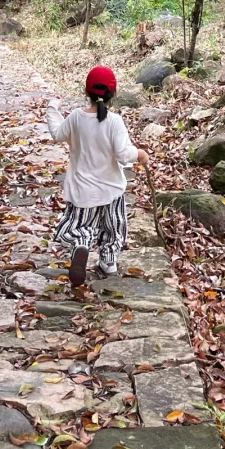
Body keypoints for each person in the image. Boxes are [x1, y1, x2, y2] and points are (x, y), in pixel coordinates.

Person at [46, 64, 148, 289]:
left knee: (78, 225)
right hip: (111, 190)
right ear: (115, 95)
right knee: (113, 227)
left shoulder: (75, 118)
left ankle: (82, 244)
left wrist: (52, 108)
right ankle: (109, 262)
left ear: (86, 92)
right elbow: (123, 155)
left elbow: (56, 133)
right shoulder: (114, 122)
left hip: (83, 191)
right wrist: (139, 154)